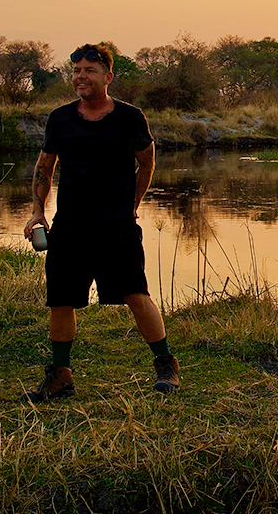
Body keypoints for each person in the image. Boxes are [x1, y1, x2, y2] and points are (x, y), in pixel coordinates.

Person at [21, 43, 178, 403]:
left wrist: (134, 204)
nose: (80, 77)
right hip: (70, 224)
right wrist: (37, 210)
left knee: (136, 295)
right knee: (60, 300)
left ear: (108, 76)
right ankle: (61, 376)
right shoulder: (60, 118)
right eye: (76, 70)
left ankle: (166, 365)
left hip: (116, 224)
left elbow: (147, 162)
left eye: (89, 71)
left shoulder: (129, 117)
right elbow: (45, 166)